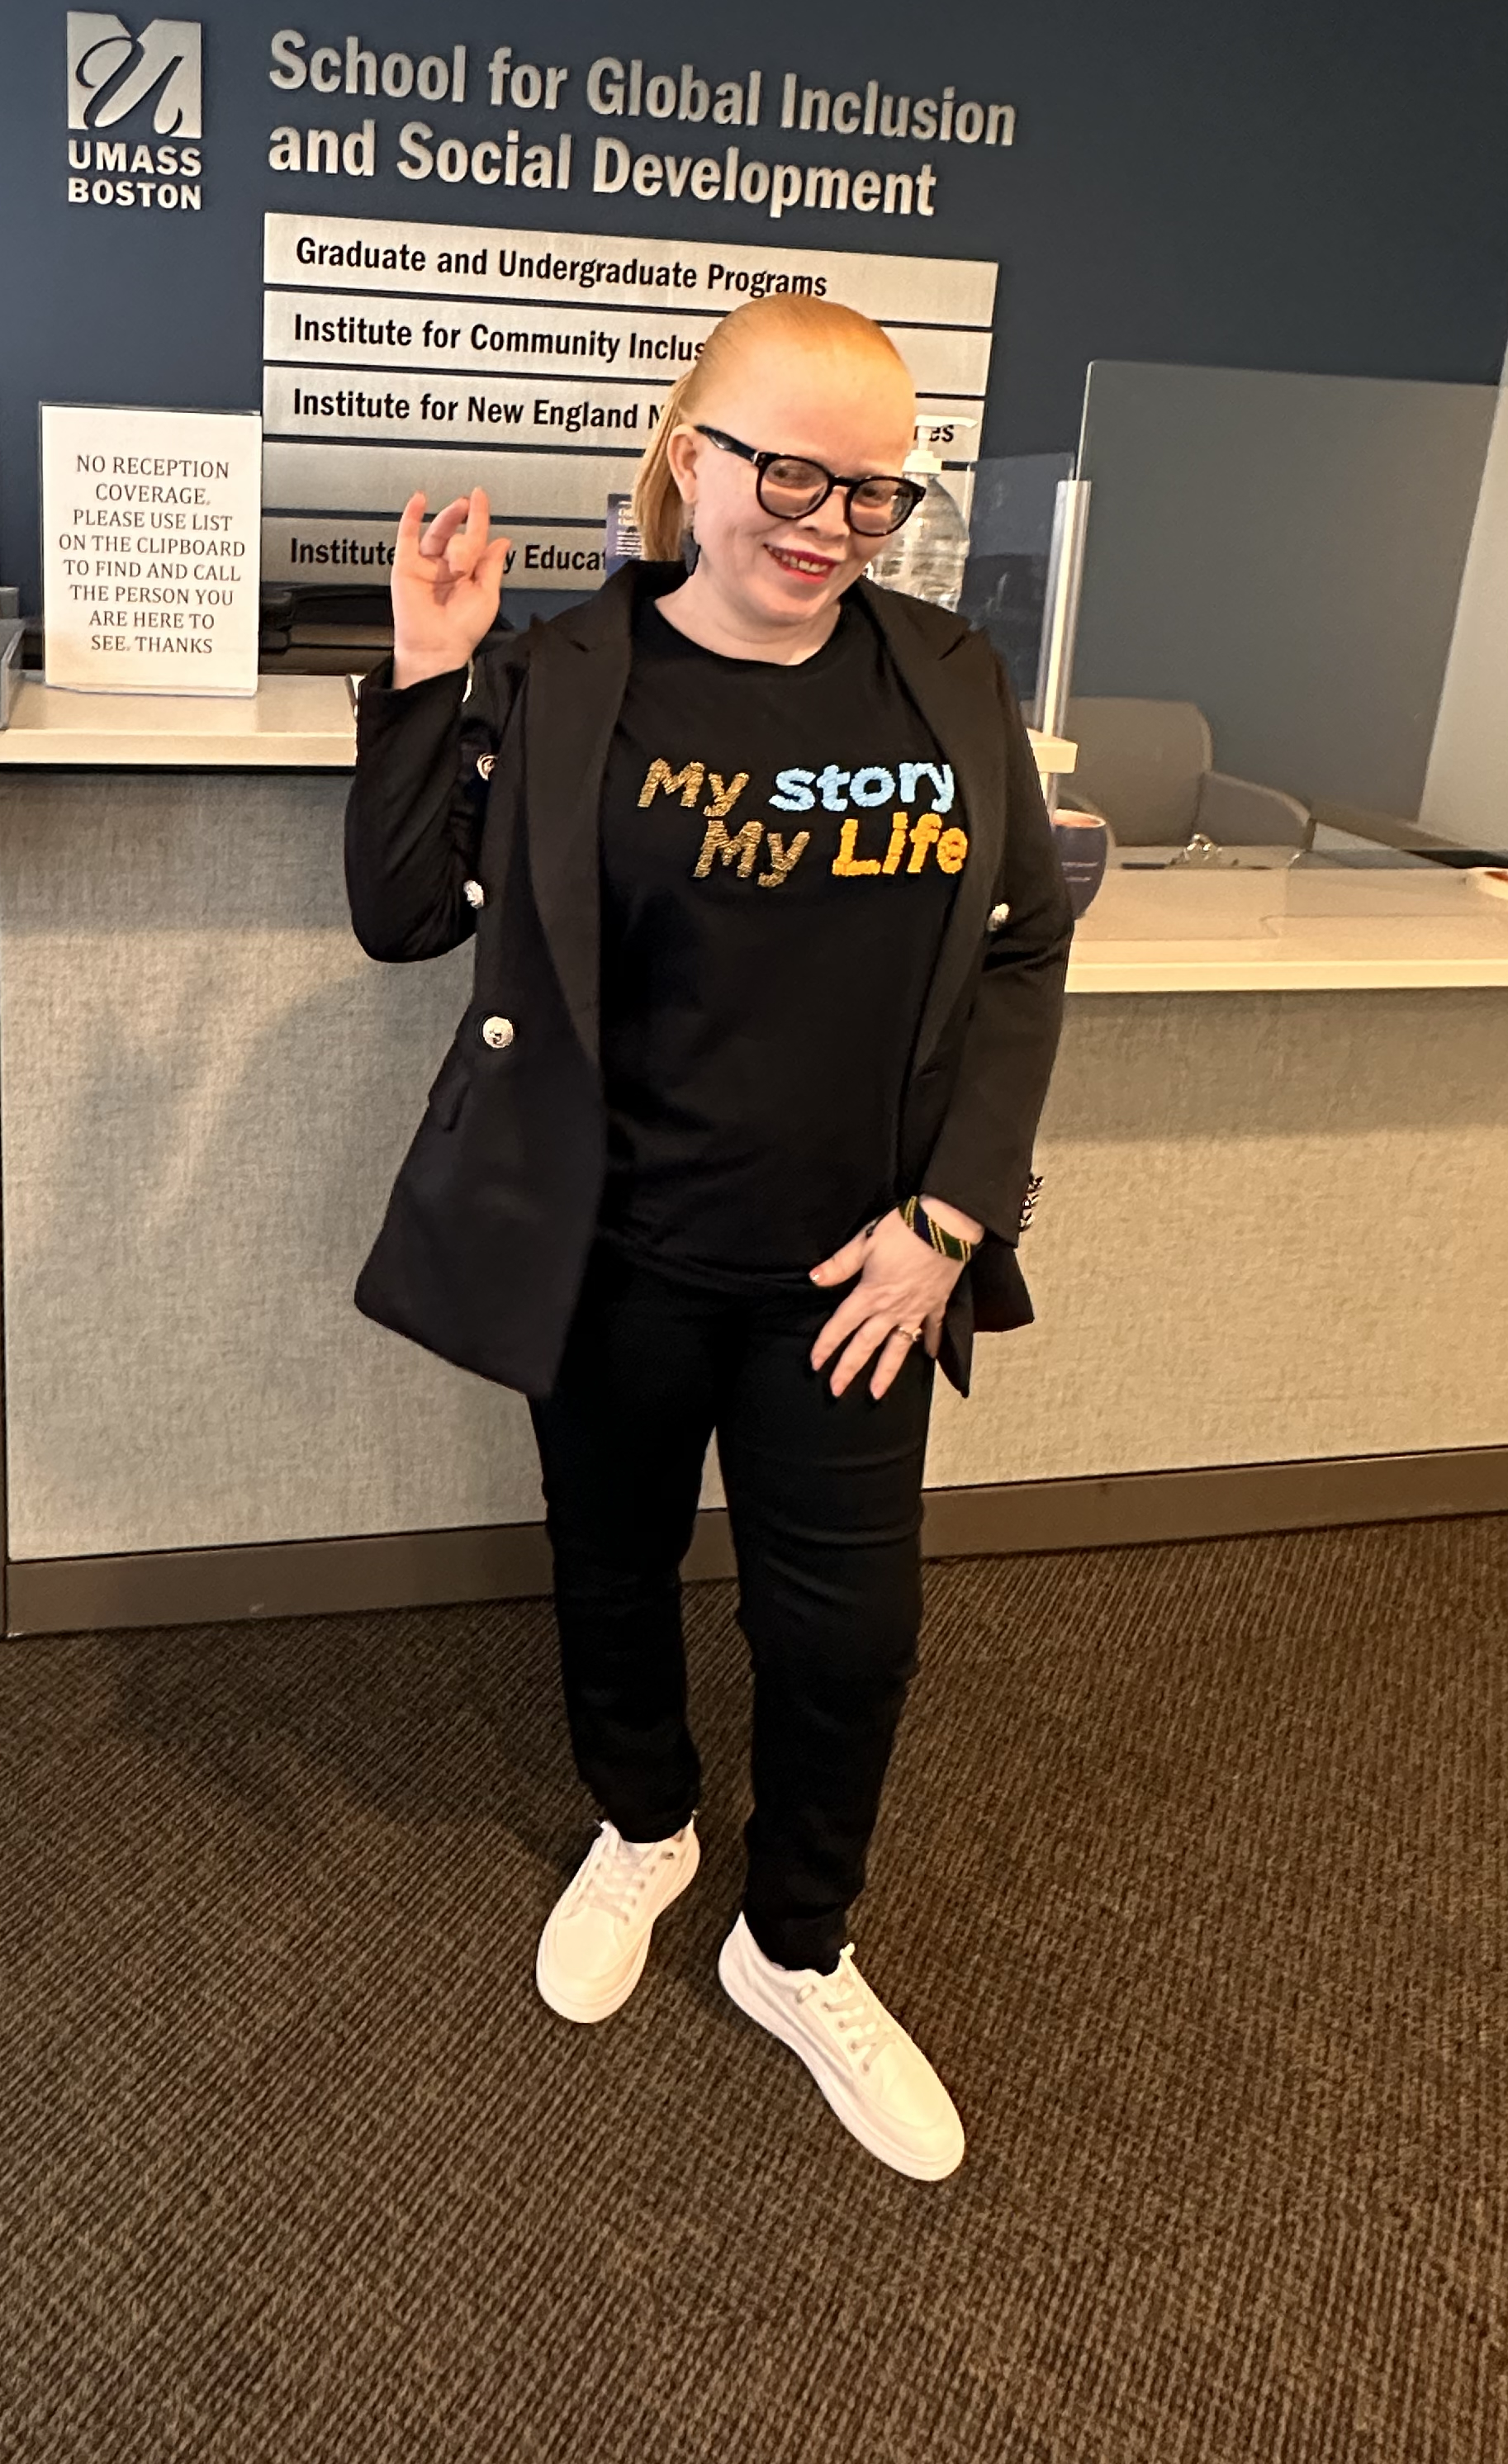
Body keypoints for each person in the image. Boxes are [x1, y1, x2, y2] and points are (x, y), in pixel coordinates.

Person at [343, 294, 1071, 2181]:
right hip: (617, 1255)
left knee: (852, 1636)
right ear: (693, 454)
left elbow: (1021, 948)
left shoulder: (950, 679)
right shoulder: (570, 675)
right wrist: (430, 671)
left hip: (860, 1272)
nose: (829, 521)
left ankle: (796, 1942)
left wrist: (954, 1216)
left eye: (873, 489)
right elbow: (405, 914)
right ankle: (647, 1823)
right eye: (788, 471)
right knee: (613, 1563)